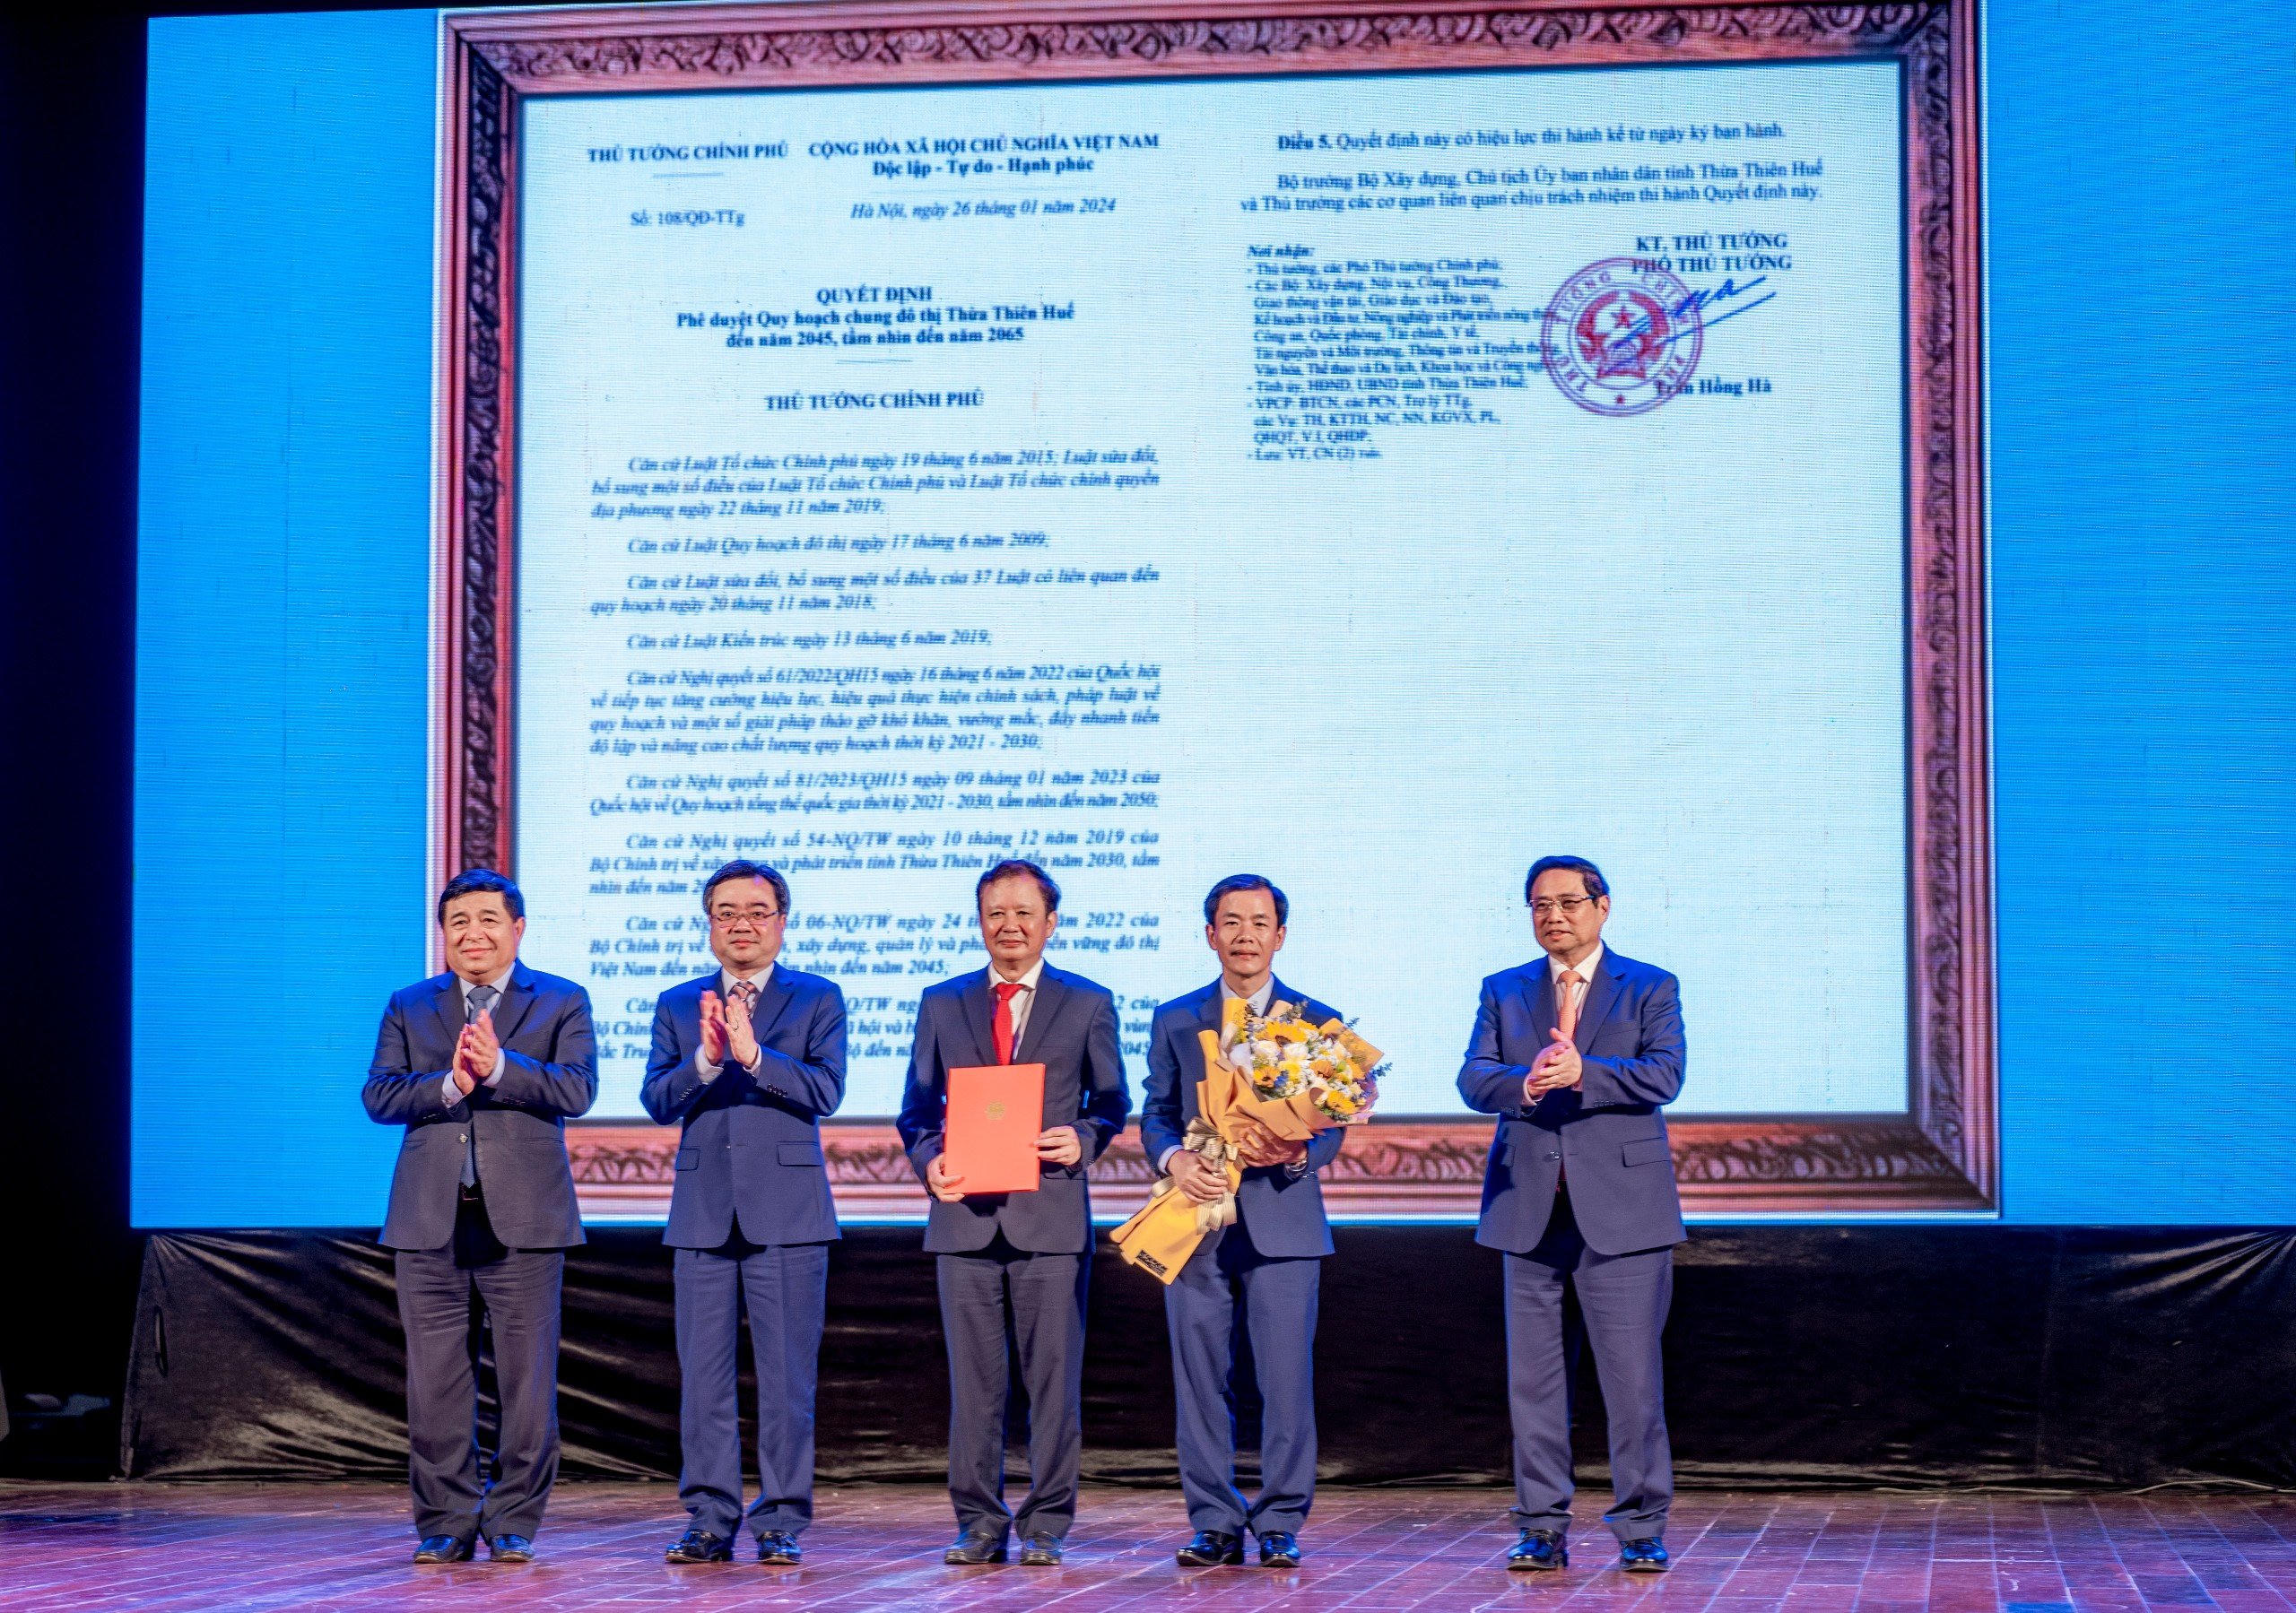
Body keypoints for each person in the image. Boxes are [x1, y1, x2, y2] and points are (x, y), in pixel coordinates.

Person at [895, 859, 1130, 1566]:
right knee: (975, 1387)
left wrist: (1084, 1138)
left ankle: (1047, 1523)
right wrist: (928, 1160)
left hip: (1049, 1218)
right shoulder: (942, 1001)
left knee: (1053, 1383)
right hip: (963, 1219)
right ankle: (978, 1522)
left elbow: (1112, 1103)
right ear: (980, 921)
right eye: (996, 912)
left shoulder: (1087, 1002)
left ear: (1050, 922)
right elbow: (916, 1110)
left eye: (1024, 912)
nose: (1010, 925)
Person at [1457, 855, 1686, 1574]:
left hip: (1623, 1214)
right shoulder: (1503, 988)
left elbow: (1666, 1073)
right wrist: (1524, 1084)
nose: (1552, 915)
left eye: (1567, 902)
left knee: (1632, 1383)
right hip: (1529, 1211)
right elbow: (1473, 1078)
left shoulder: (1649, 984)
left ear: (1602, 906)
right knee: (1534, 1385)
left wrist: (1588, 1072)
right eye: (1539, 905)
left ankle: (1641, 1525)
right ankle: (1540, 1526)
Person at [361, 869, 597, 1565]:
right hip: (429, 1216)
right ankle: (445, 1519)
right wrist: (449, 1084)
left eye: (488, 919)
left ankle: (514, 1518)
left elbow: (577, 1089)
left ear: (516, 928)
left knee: (527, 1382)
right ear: (443, 932)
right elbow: (379, 1095)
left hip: (525, 1217)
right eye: (459, 921)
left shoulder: (562, 999)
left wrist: (498, 1069)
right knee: (435, 1380)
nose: (473, 933)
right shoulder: (410, 1004)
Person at [641, 860, 847, 1566]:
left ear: (781, 922)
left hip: (789, 1214)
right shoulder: (678, 1002)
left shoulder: (818, 996)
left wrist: (754, 1055)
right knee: (703, 1381)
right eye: (726, 912)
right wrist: (704, 1060)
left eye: (757, 911)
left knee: (787, 1379)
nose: (741, 924)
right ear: (709, 924)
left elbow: (826, 1091)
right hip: (702, 1212)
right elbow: (657, 1099)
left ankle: (781, 1517)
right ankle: (709, 1517)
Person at [1141, 875, 1345, 1570]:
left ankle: (1281, 1519)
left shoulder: (1318, 1019)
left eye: (1259, 922)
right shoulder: (1176, 1017)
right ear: (1211, 934)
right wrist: (1172, 1158)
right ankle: (1214, 1522)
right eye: (1231, 922)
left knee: (1286, 1380)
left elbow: (1333, 1123)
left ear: (1280, 935)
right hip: (1195, 1218)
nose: (1245, 934)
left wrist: (1299, 1152)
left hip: (1284, 1219)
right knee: (1200, 1377)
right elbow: (1157, 1111)